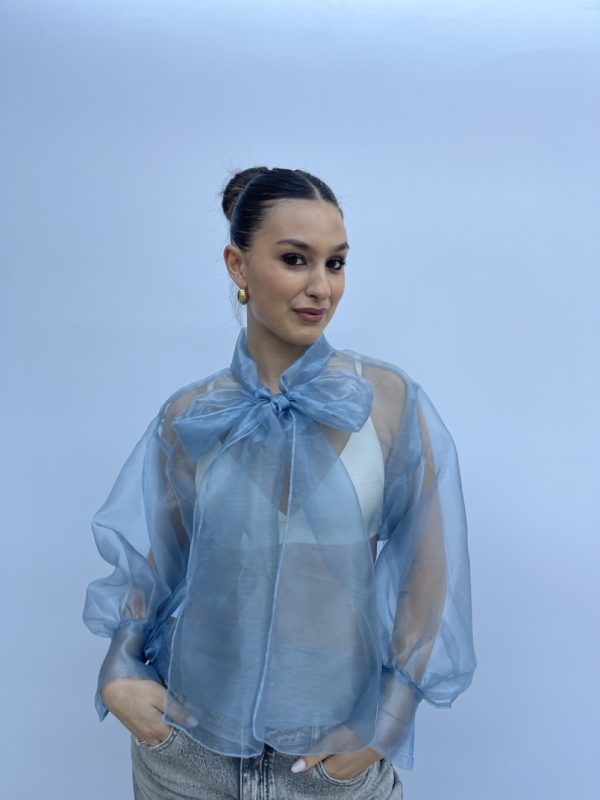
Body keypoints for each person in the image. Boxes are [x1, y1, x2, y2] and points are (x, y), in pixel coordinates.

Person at [83, 166, 476, 799]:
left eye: (336, 263)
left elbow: (427, 576)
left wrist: (388, 721)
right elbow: (156, 565)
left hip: (330, 763)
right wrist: (120, 666)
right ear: (238, 266)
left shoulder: (387, 404)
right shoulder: (193, 414)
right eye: (296, 259)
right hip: (186, 755)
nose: (321, 286)